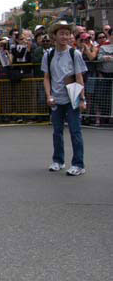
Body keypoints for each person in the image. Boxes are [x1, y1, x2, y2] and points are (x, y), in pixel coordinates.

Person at [42, 21, 87, 176]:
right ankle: (58, 161)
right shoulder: (48, 55)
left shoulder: (75, 54)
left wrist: (82, 99)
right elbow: (47, 77)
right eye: (61, 33)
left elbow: (80, 77)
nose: (64, 37)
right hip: (56, 98)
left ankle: (78, 164)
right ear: (54, 36)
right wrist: (49, 95)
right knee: (57, 132)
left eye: (67, 34)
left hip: (72, 96)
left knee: (75, 131)